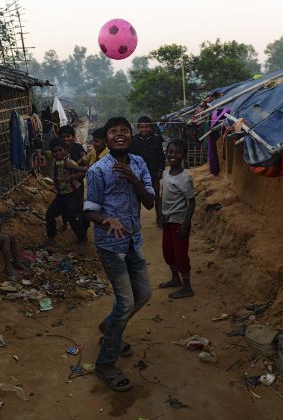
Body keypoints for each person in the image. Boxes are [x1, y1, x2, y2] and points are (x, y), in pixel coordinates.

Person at [84, 117, 154, 392]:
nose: (119, 135)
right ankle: (106, 364)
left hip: (133, 241)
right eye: (114, 132)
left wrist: (133, 178)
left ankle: (109, 328)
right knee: (125, 304)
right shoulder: (98, 170)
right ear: (108, 138)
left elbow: (149, 202)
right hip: (110, 246)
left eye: (124, 131)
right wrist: (106, 220)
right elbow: (89, 210)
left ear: (131, 136)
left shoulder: (138, 163)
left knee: (144, 294)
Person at [156, 139, 196, 298]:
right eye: (170, 151)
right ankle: (175, 279)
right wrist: (160, 215)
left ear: (184, 155)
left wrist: (186, 224)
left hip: (179, 221)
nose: (173, 155)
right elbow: (161, 196)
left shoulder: (185, 178)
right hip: (167, 220)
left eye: (177, 152)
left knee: (180, 254)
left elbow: (192, 202)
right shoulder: (165, 173)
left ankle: (187, 287)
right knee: (168, 251)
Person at [44, 137, 88, 252]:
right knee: (50, 214)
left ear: (65, 150)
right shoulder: (54, 160)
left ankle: (83, 240)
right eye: (55, 151)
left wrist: (71, 177)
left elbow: (84, 170)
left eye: (60, 150)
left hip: (72, 194)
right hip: (61, 194)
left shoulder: (69, 162)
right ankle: (51, 238)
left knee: (73, 218)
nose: (58, 153)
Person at [130, 116, 166, 223]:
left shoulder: (157, 140)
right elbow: (131, 158)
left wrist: (161, 169)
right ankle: (136, 221)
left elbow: (161, 156)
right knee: (136, 197)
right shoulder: (134, 141)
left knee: (157, 197)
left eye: (146, 127)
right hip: (138, 175)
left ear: (150, 127)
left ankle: (159, 219)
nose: (144, 129)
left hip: (154, 173)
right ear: (138, 128)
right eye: (142, 127)